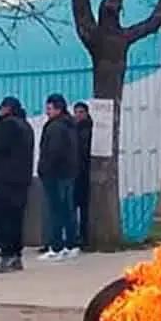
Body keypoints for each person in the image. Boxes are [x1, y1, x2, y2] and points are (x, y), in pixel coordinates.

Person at [0, 96, 35, 273]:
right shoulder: (26, 126)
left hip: (8, 178)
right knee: (16, 217)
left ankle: (7, 254)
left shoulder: (9, 125)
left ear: (8, 109)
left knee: (2, 215)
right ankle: (16, 255)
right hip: (22, 178)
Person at [37, 94, 82, 260]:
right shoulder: (70, 125)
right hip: (68, 173)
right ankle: (71, 244)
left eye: (49, 108)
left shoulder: (55, 127)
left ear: (58, 108)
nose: (47, 112)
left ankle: (56, 247)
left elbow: (52, 152)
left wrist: (44, 169)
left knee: (55, 210)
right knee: (68, 209)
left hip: (54, 174)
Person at [72, 100, 93, 246]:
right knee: (74, 205)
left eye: (81, 112)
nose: (78, 115)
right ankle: (76, 235)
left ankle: (84, 236)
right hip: (75, 172)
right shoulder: (73, 128)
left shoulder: (87, 129)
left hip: (84, 172)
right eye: (76, 112)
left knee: (84, 206)